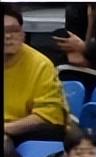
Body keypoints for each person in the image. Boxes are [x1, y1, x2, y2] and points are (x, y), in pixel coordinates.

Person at [4, 5, 69, 144]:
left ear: (23, 34)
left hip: (25, 132)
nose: (8, 36)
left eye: (14, 30)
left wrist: (7, 128)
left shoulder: (41, 65)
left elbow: (47, 115)